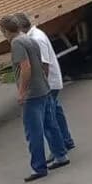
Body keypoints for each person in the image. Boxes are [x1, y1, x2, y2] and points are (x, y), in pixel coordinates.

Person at [0, 16, 68, 182]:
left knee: (33, 132)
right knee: (50, 124)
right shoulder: (30, 39)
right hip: (44, 88)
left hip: (32, 93)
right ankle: (61, 156)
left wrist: (22, 91)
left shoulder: (17, 43)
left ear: (5, 31)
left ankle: (38, 167)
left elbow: (25, 68)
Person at [17, 12, 75, 154]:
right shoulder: (35, 35)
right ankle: (66, 141)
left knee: (47, 117)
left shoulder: (36, 39)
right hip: (51, 81)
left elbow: (44, 64)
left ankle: (58, 149)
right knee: (55, 110)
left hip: (49, 82)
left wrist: (43, 86)